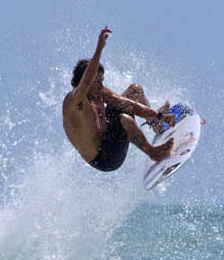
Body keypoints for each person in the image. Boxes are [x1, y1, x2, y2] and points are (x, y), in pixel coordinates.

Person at [62, 26, 176, 172]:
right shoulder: (73, 103)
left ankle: (154, 123)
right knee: (124, 120)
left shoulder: (99, 92)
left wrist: (158, 116)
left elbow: (128, 104)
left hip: (109, 133)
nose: (101, 84)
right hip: (104, 158)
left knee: (135, 90)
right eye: (97, 80)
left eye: (102, 80)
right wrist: (99, 49)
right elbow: (85, 82)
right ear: (86, 80)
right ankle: (153, 153)